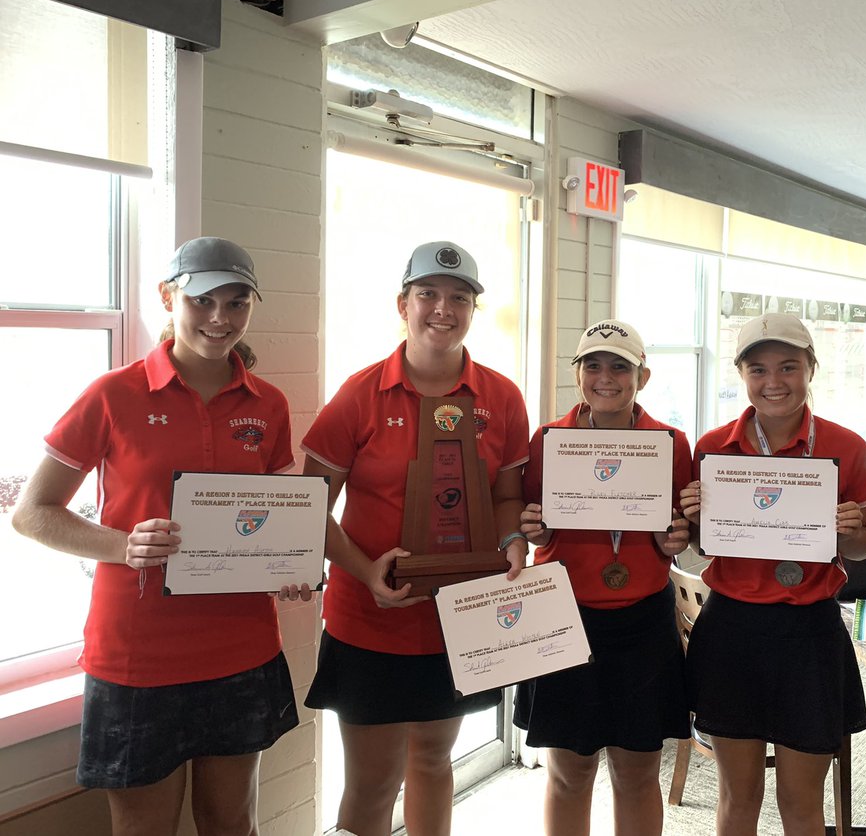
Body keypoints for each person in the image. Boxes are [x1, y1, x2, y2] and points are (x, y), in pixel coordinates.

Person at [12, 237, 306, 835]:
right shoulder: (112, 394)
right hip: (137, 655)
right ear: (169, 298)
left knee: (232, 824)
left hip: (242, 647)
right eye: (202, 300)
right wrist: (122, 546)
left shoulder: (269, 404)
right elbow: (32, 513)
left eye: (237, 302)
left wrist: (289, 565)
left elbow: (273, 518)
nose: (220, 318)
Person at [300, 240, 529, 836]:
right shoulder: (360, 394)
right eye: (427, 294)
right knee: (373, 782)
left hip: (458, 615)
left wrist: (512, 540)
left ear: (474, 309)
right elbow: (308, 508)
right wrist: (365, 570)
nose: (442, 309)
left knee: (432, 760)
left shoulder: (501, 397)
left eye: (459, 297)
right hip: (369, 618)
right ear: (403, 304)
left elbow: (507, 495)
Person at [678, 312, 866, 836]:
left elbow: (862, 550)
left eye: (788, 366)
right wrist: (696, 521)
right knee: (737, 797)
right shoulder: (713, 447)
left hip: (810, 631)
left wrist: (850, 530)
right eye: (758, 369)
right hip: (732, 630)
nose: (774, 381)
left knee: (801, 801)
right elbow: (703, 545)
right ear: (742, 375)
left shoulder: (847, 446)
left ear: (811, 367)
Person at [515, 320, 692, 836]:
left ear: (643, 377)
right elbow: (534, 524)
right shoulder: (549, 441)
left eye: (620, 366)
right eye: (592, 365)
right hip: (563, 617)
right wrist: (535, 527)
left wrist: (673, 539)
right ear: (577, 375)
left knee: (636, 774)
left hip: (643, 622)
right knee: (570, 774)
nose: (606, 377)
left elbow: (677, 532)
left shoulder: (670, 442)